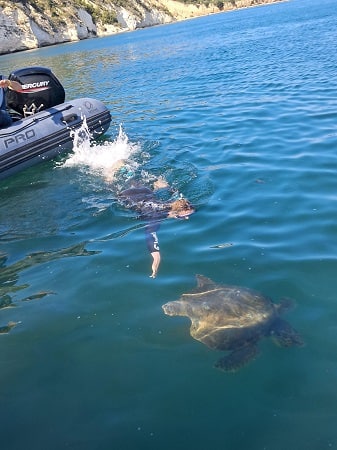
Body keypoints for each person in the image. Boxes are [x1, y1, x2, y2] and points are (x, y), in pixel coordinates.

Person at [117, 177, 195, 278]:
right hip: (126, 196)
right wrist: (156, 259)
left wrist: (169, 188)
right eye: (184, 216)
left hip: (146, 191)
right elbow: (150, 234)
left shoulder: (172, 204)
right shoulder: (158, 215)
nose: (187, 218)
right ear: (175, 212)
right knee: (112, 184)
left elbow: (178, 195)